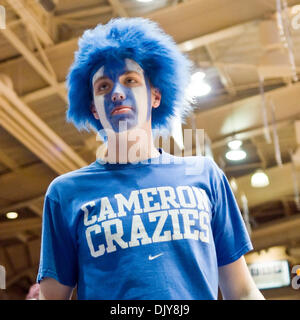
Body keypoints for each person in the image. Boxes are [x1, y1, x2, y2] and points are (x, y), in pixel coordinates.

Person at [37, 17, 264, 300]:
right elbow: (51, 298)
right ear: (93, 109)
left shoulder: (205, 175)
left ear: (155, 96)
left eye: (130, 80)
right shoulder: (65, 193)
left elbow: (242, 292)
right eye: (103, 86)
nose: (117, 93)